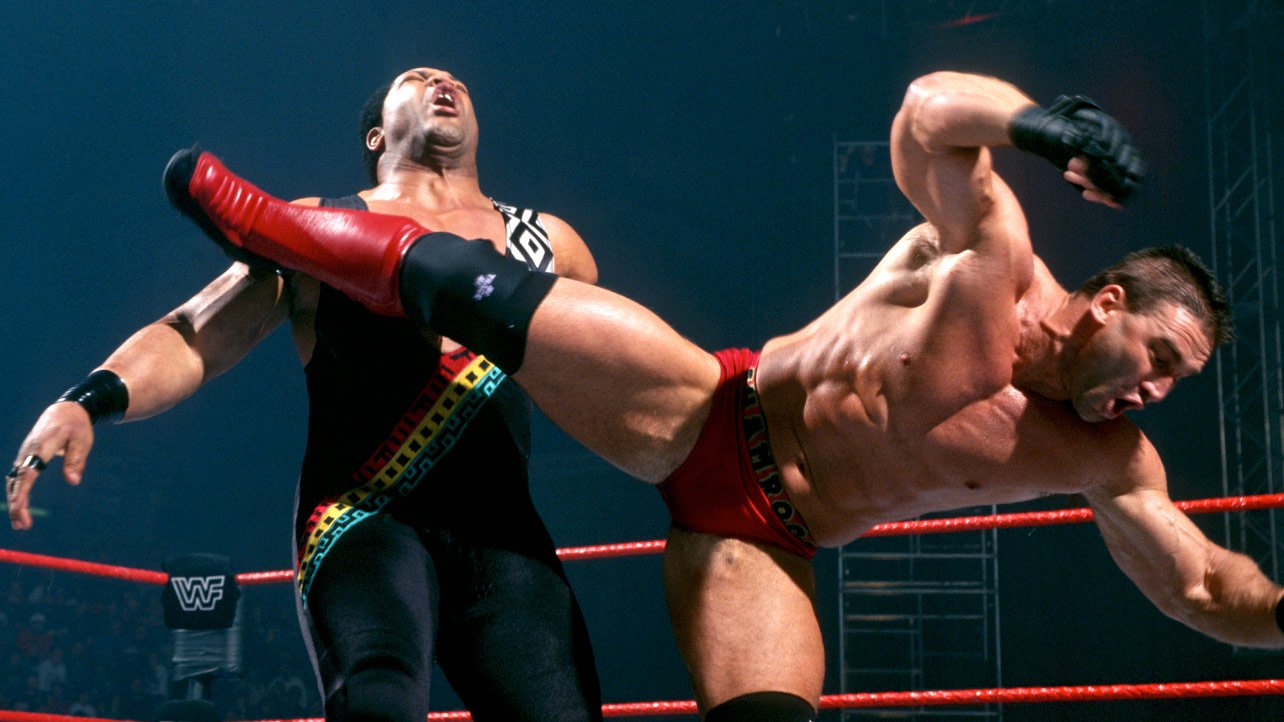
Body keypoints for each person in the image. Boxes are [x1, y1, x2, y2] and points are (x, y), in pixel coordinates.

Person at [87, 69, 1284, 721]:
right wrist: (1037, 122)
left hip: (763, 541)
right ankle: (276, 226)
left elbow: (1202, 584)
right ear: (1109, 303)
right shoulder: (991, 254)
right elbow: (926, 112)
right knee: (503, 292)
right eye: (1161, 359)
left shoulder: (1106, 458)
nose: (1157, 393)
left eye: (1177, 383)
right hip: (706, 411)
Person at [7, 67, 604, 722]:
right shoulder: (318, 223)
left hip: (503, 533)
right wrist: (86, 399)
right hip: (364, 520)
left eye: (455, 79)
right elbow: (196, 334)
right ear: (376, 135)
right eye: (417, 78)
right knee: (377, 701)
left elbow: (612, 373)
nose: (442, 81)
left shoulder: (550, 244)